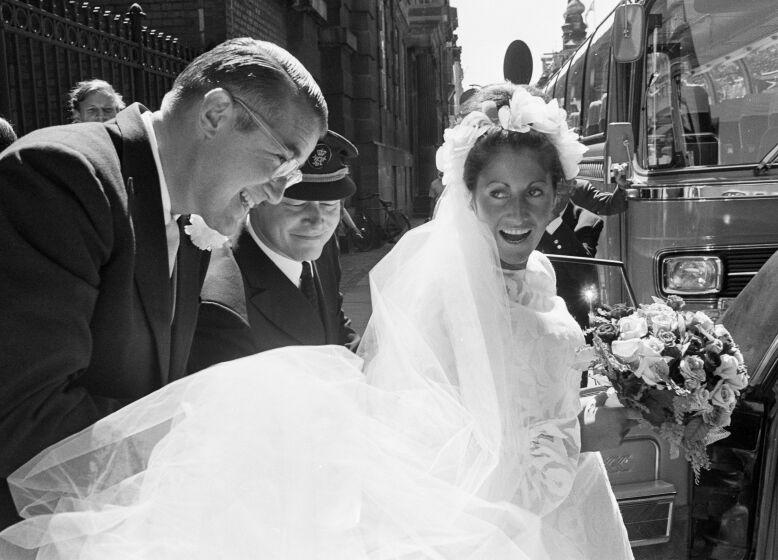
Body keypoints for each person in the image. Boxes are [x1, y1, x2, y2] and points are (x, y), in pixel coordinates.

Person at [0, 85, 633, 559]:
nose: (289, 202)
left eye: (325, 204)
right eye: (280, 171)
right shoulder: (212, 280)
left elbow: (354, 356)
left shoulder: (321, 261)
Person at [0, 37, 327, 531]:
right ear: (215, 114)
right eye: (281, 160)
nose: (282, 189)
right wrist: (208, 447)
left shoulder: (189, 204)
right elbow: (24, 418)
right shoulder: (63, 176)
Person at [187, 130, 360, 373]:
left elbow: (333, 321)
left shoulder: (322, 246)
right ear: (256, 200)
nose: (317, 220)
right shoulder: (224, 292)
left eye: (330, 205)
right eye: (297, 204)